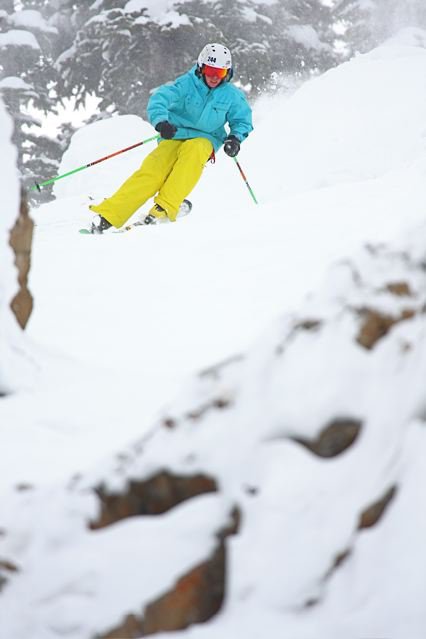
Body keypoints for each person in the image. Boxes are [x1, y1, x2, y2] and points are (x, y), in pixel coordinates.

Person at [89, 42, 253, 233]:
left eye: (221, 73)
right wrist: (161, 122)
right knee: (153, 170)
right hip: (176, 134)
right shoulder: (186, 84)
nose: (214, 77)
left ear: (228, 73)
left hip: (206, 139)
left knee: (195, 151)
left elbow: (242, 120)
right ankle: (110, 214)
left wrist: (235, 138)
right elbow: (160, 99)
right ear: (201, 67)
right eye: (210, 70)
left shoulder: (232, 95)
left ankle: (164, 208)